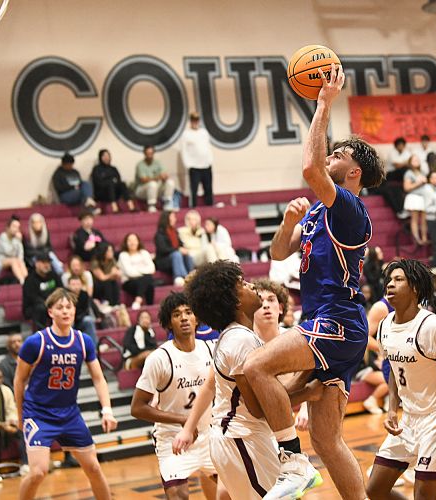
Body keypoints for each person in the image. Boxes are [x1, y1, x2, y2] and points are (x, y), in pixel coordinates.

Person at [243, 64, 385, 500]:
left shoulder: (349, 209)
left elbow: (309, 167)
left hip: (336, 320)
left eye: (339, 155)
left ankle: (292, 462)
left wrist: (322, 104)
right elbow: (277, 253)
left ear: (354, 173)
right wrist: (288, 223)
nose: (330, 157)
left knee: (255, 367)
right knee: (326, 439)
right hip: (332, 324)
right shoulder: (319, 211)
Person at [175, 261, 323, 499]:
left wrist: (305, 380)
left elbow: (265, 397)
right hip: (241, 439)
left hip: (241, 438)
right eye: (243, 284)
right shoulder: (240, 340)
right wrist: (308, 393)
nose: (252, 285)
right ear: (235, 300)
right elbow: (258, 408)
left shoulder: (238, 336)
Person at [367, 259, 436, 500]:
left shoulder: (432, 326)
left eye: (398, 280)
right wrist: (392, 409)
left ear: (414, 288)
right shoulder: (384, 326)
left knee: (423, 496)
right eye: (389, 280)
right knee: (374, 490)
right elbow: (395, 369)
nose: (390, 284)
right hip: (409, 420)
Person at [14, 288, 118, 500]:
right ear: (50, 312)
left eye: (69, 307)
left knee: (94, 467)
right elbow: (19, 380)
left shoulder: (83, 341)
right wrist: (20, 415)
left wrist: (107, 410)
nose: (65, 311)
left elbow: (99, 378)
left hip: (69, 413)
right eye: (60, 307)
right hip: (39, 414)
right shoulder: (36, 342)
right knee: (38, 472)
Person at [129, 292, 220, 500]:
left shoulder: (210, 350)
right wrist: (182, 420)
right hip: (173, 438)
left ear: (197, 318)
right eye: (177, 314)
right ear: (168, 323)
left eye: (188, 312)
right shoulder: (159, 358)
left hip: (209, 435)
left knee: (232, 491)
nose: (184, 318)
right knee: (178, 495)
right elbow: (137, 408)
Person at [252, 279, 313, 428]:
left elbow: (308, 375)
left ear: (280, 308)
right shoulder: (244, 341)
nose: (266, 305)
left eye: (271, 299)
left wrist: (305, 408)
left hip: (285, 415)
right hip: (252, 420)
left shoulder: (293, 339)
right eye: (260, 300)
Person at [180, 112, 214, 207]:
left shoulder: (204, 132)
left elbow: (208, 147)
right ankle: (193, 207)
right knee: (194, 189)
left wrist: (210, 160)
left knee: (208, 188)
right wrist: (188, 164)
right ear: (190, 121)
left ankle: (210, 207)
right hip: (194, 167)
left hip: (206, 165)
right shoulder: (186, 134)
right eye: (193, 120)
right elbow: (184, 150)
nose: (195, 122)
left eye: (197, 120)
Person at [22, 253, 61, 331]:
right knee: (40, 308)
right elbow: (33, 298)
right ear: (37, 264)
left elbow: (61, 290)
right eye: (43, 262)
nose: (46, 265)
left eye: (48, 262)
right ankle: (41, 333)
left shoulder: (54, 275)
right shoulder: (30, 279)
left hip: (52, 304)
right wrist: (49, 304)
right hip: (34, 308)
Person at [155, 210, 195, 286]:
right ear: (167, 219)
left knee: (187, 256)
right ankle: (181, 277)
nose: (175, 219)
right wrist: (178, 249)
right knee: (177, 254)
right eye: (173, 217)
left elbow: (180, 244)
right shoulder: (160, 234)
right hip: (164, 260)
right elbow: (163, 249)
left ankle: (192, 276)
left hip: (176, 257)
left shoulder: (174, 231)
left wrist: (184, 249)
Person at [118, 232, 156, 308]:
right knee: (148, 279)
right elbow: (130, 273)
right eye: (130, 240)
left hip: (144, 280)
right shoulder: (123, 255)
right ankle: (145, 303)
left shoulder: (144, 253)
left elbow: (152, 269)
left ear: (138, 241)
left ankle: (139, 300)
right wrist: (144, 270)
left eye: (134, 240)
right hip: (129, 282)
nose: (132, 243)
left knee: (148, 280)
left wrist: (136, 269)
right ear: (126, 243)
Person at [134, 145, 176, 212]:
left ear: (153, 153)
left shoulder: (158, 163)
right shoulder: (140, 165)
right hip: (141, 190)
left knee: (170, 182)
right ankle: (151, 205)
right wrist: (158, 177)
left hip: (156, 189)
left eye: (151, 153)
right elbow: (144, 180)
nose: (149, 155)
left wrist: (164, 177)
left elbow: (163, 174)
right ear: (144, 154)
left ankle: (167, 203)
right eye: (148, 153)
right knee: (152, 184)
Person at [92, 149, 135, 213]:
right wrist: (110, 182)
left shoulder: (113, 169)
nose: (106, 158)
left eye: (108, 156)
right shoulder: (97, 169)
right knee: (110, 184)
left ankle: (131, 206)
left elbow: (118, 180)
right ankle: (115, 208)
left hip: (114, 192)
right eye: (104, 156)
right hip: (102, 193)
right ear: (100, 157)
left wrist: (112, 182)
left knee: (122, 184)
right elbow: (98, 183)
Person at [0, 215, 29, 285]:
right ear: (8, 227)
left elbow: (21, 253)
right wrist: (18, 241)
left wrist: (20, 261)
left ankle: (28, 280)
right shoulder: (3, 236)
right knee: (14, 261)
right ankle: (22, 281)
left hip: (13, 260)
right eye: (14, 226)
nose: (16, 229)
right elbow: (8, 252)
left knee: (19, 261)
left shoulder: (16, 238)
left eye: (18, 227)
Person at [66, 276, 99, 347]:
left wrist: (77, 318)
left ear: (81, 285)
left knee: (88, 320)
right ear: (68, 285)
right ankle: (68, 346)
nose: (76, 287)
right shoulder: (65, 296)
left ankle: (94, 346)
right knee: (68, 322)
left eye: (78, 284)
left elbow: (85, 310)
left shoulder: (84, 294)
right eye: (73, 284)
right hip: (68, 318)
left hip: (80, 319)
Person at [403, 154, 428, 245]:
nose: (416, 161)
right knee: (415, 219)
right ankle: (416, 239)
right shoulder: (409, 173)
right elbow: (406, 187)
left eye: (417, 160)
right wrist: (418, 183)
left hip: (423, 197)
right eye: (414, 160)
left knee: (424, 219)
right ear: (410, 163)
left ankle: (424, 238)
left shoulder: (422, 172)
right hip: (414, 197)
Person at [90, 242, 121, 307]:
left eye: (112, 250)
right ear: (103, 252)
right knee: (107, 282)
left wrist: (116, 274)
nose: (111, 253)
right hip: (97, 286)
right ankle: (109, 304)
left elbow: (116, 274)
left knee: (114, 282)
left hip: (108, 282)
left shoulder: (112, 260)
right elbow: (102, 278)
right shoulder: (95, 261)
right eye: (109, 251)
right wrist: (111, 274)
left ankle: (116, 304)